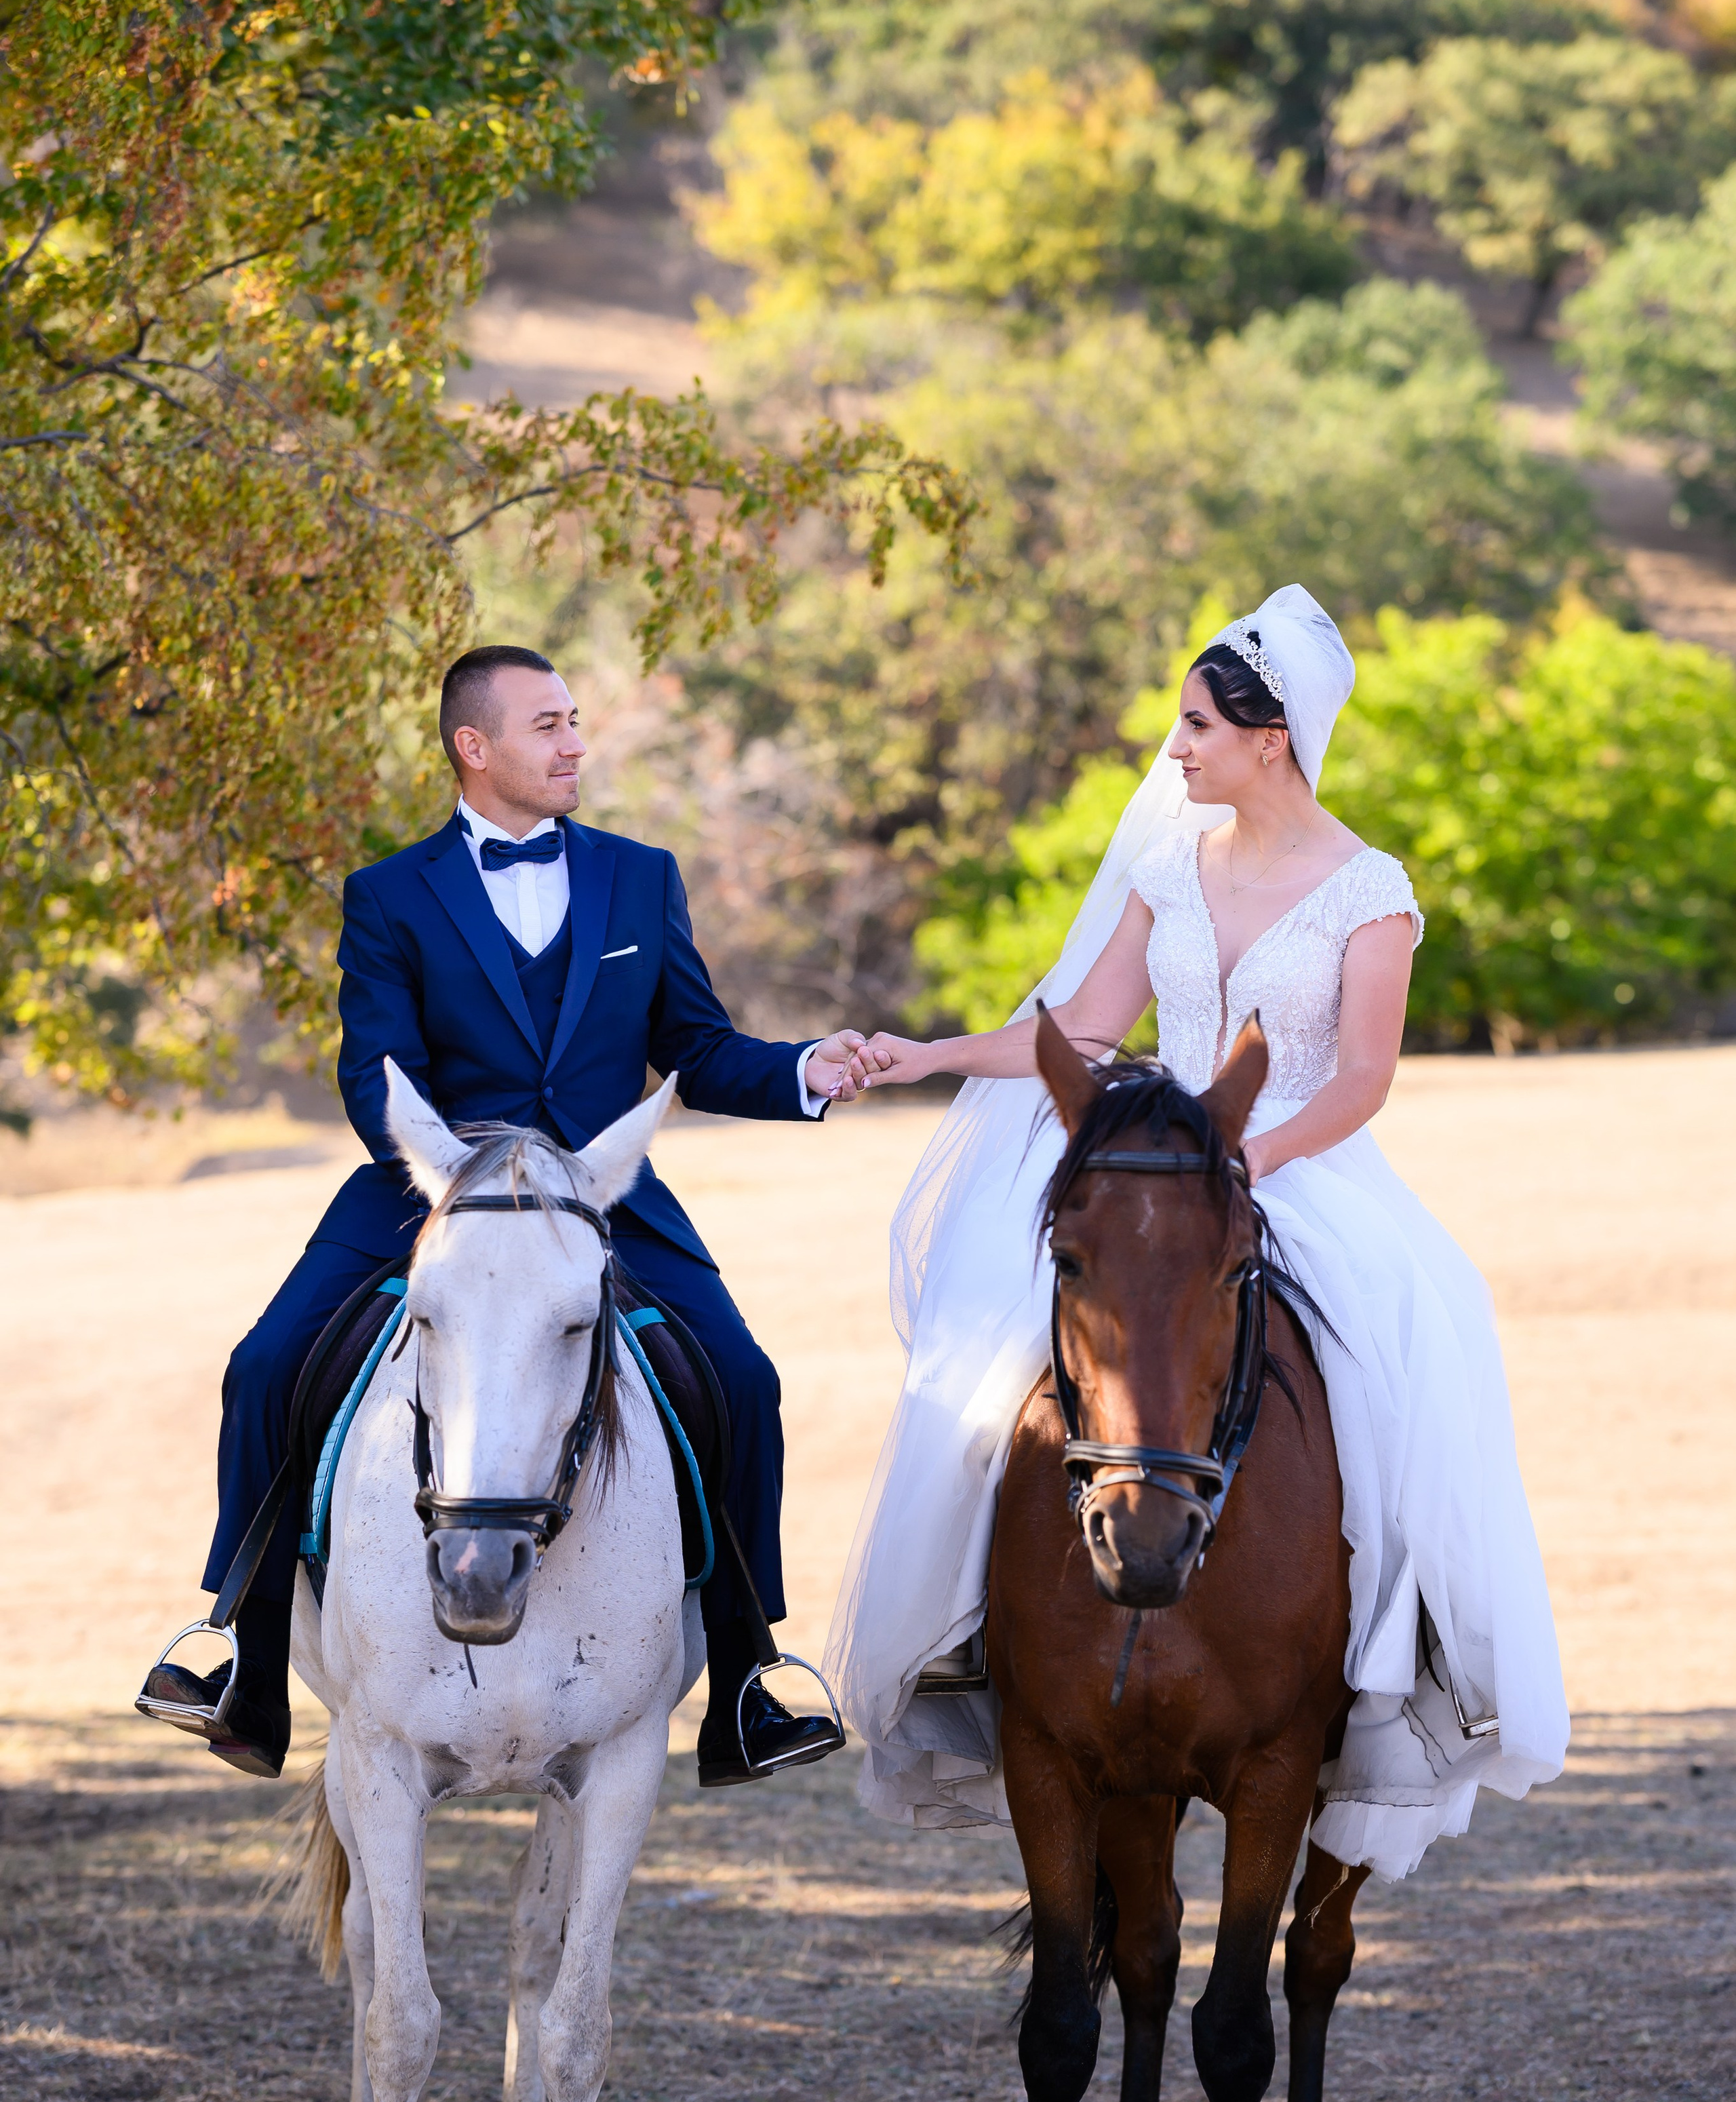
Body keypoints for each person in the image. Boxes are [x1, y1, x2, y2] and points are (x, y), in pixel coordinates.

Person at [826, 584, 1569, 1880]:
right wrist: (920, 1053)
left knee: (1411, 1348)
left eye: (1194, 727)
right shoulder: (1172, 868)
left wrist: (1250, 1158)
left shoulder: (1370, 891)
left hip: (1295, 1164)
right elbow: (1087, 1030)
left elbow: (1362, 1081)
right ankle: (964, 1641)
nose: (1172, 752)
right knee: (994, 1361)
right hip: (1156, 1167)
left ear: (1268, 737)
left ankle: (1407, 1661)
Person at [139, 644, 878, 1788]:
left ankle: (745, 1676)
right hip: (433, 1193)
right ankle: (236, 1644)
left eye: (575, 720)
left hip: (604, 1197)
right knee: (265, 1361)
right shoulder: (389, 894)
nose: (576, 742)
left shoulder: (642, 877)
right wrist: (463, 1170)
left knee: (743, 1381)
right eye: (549, 725)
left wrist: (804, 1071)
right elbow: (371, 1073)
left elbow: (695, 1047)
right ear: (472, 747)